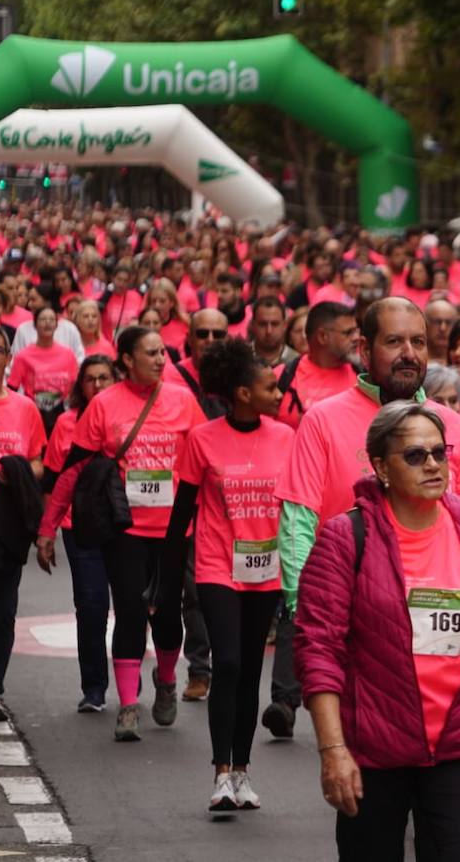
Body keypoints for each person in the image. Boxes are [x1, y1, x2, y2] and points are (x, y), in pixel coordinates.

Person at [296, 401, 460, 860]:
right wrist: (332, 750)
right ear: (380, 467)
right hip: (375, 751)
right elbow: (319, 650)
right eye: (415, 455)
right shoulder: (345, 538)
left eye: (439, 452)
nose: (432, 464)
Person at [265, 298, 460, 740]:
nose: (409, 353)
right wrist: (304, 608)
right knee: (372, 756)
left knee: (446, 749)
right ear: (365, 351)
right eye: (394, 342)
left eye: (418, 342)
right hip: (361, 625)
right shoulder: (323, 420)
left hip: (441, 621)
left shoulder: (453, 425)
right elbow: (297, 522)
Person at [37, 326, 207, 741]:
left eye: (163, 353)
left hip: (174, 530)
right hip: (125, 529)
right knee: (130, 612)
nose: (161, 360)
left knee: (167, 617)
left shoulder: (184, 401)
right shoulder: (104, 405)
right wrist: (47, 527)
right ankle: (128, 705)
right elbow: (73, 470)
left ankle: (166, 678)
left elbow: (207, 461)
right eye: (151, 353)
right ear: (127, 360)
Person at [162, 339, 292, 813]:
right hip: (218, 566)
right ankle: (220, 774)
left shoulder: (285, 437)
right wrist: (165, 582)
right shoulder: (203, 439)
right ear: (242, 393)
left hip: (267, 570)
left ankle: (242, 771)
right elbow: (181, 514)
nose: (278, 393)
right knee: (230, 664)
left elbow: (297, 510)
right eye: (270, 387)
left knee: (251, 670)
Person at [40, 354, 114, 712]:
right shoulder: (66, 423)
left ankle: (132, 680)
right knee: (91, 606)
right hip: (79, 526)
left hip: (127, 526)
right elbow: (56, 480)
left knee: (134, 606)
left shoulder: (128, 417)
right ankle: (94, 687)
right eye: (90, 379)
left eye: (104, 378)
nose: (97, 385)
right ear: (80, 386)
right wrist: (47, 529)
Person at [0, 326, 46, 723]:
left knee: (1, 608)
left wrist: (17, 471)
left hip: (6, 523)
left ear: (10, 359)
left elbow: (39, 462)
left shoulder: (25, 409)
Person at [274, 301, 359, 428]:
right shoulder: (282, 376)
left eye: (356, 331)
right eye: (348, 333)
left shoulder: (363, 377)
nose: (356, 338)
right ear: (323, 336)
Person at [8, 306, 78, 435]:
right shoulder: (23, 356)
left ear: (56, 325)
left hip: (61, 412)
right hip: (32, 412)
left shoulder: (68, 354)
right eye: (43, 319)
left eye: (51, 319)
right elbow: (12, 388)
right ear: (35, 325)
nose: (47, 323)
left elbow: (74, 386)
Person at [249, 297, 296, 369]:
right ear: (253, 325)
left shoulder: (296, 362)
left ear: (284, 326)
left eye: (275, 324)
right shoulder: (239, 359)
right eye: (262, 324)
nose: (269, 331)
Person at [425, 298, 460, 366]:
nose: (443, 328)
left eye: (448, 322)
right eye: (437, 322)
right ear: (425, 324)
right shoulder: (416, 360)